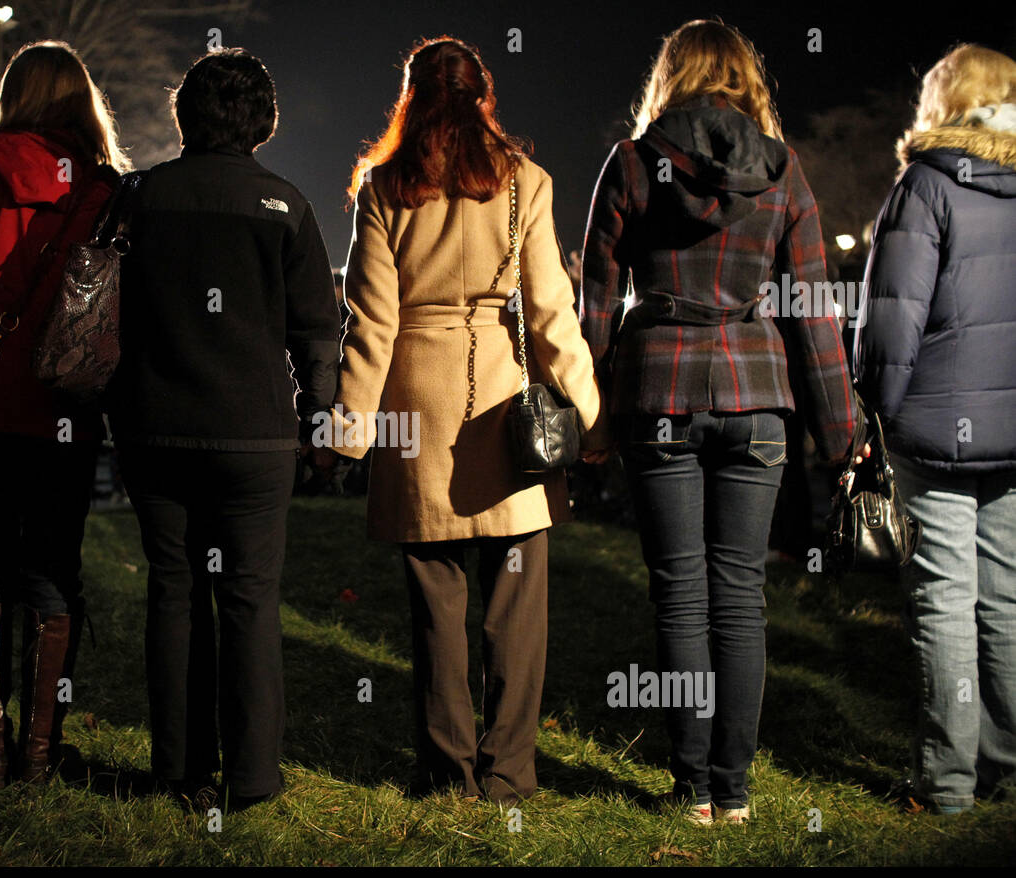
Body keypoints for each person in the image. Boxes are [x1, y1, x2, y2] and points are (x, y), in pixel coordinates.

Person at [580, 20, 857, 824]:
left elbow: (595, 308)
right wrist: (840, 438)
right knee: (740, 595)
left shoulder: (633, 163)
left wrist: (587, 417)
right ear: (746, 79)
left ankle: (693, 789)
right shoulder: (783, 171)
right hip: (758, 398)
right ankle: (733, 793)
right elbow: (813, 315)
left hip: (659, 392)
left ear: (669, 78)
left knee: (679, 594)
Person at [327, 37, 604, 805]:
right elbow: (552, 315)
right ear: (486, 98)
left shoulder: (384, 187)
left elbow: (371, 323)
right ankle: (510, 774)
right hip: (504, 408)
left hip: (417, 409)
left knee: (435, 609)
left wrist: (347, 430)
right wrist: (592, 417)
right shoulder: (526, 184)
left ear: (408, 102)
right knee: (516, 613)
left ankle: (448, 776)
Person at [107, 49, 341, 811]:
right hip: (254, 435)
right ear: (264, 121)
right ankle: (253, 776)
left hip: (155, 427)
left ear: (185, 116)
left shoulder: (138, 197)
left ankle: (179, 769)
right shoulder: (286, 205)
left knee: (173, 594)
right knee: (249, 600)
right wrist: (318, 417)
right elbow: (316, 330)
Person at [0, 40, 132, 788]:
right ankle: (38, 753)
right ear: (81, 101)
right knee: (54, 568)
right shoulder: (103, 185)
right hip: (65, 403)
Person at [856, 44, 1016, 814]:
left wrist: (875, 416)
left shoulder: (926, 185)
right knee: (1009, 601)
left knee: (944, 602)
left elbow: (892, 321)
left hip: (935, 432)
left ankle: (947, 785)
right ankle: (1004, 765)